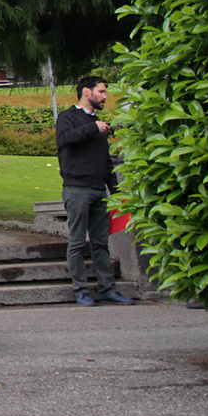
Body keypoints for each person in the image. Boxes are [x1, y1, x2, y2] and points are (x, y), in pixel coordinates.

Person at [55, 75, 134, 306]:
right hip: (76, 189)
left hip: (99, 191)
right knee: (78, 242)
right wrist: (92, 128)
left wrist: (117, 192)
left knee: (101, 243)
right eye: (101, 92)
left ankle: (108, 289)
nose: (105, 97)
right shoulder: (67, 117)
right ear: (86, 92)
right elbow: (64, 139)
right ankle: (80, 291)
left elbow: (106, 161)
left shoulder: (100, 126)